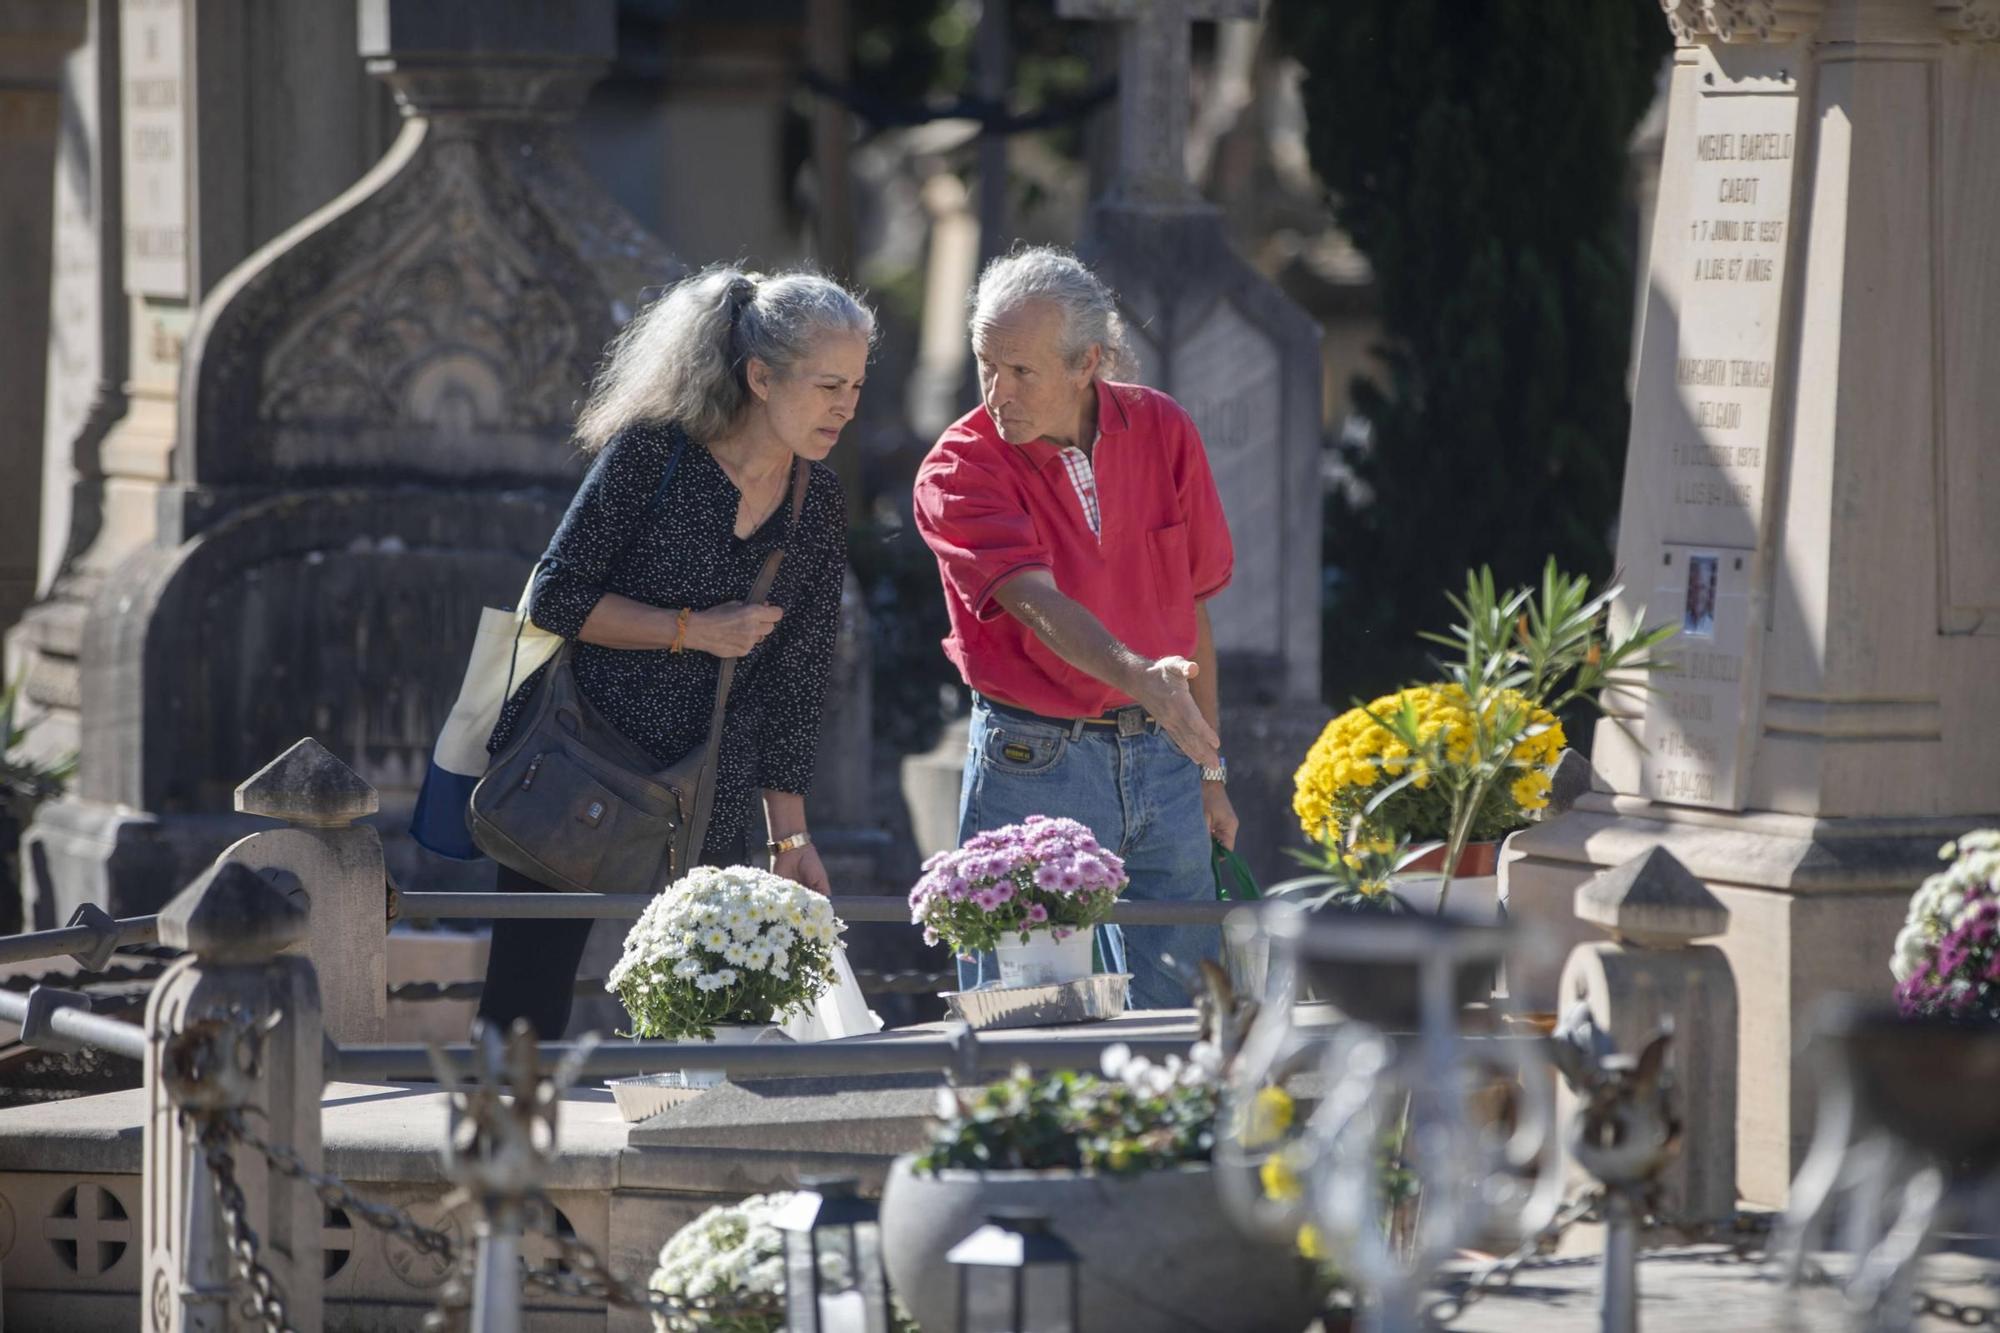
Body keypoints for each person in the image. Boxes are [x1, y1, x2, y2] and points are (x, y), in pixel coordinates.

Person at [475, 265, 874, 1039]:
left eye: (856, 386)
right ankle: (501, 1152)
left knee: (718, 1019)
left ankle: (699, 1156)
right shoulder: (653, 454)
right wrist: (693, 628)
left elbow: (797, 678)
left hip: (713, 790)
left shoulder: (818, 501)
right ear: (761, 375)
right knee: (522, 1012)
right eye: (829, 385)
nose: (847, 408)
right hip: (583, 759)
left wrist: (789, 838)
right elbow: (556, 595)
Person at [912, 246, 1237, 1010]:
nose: (998, 391)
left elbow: (1193, 610)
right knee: (1023, 1022)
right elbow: (1035, 602)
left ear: (1089, 361)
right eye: (986, 363)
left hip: (1166, 754)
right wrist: (1138, 676)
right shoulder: (959, 466)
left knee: (1191, 1013)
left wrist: (1211, 771)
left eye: (1022, 371)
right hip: (1037, 758)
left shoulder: (1164, 429)